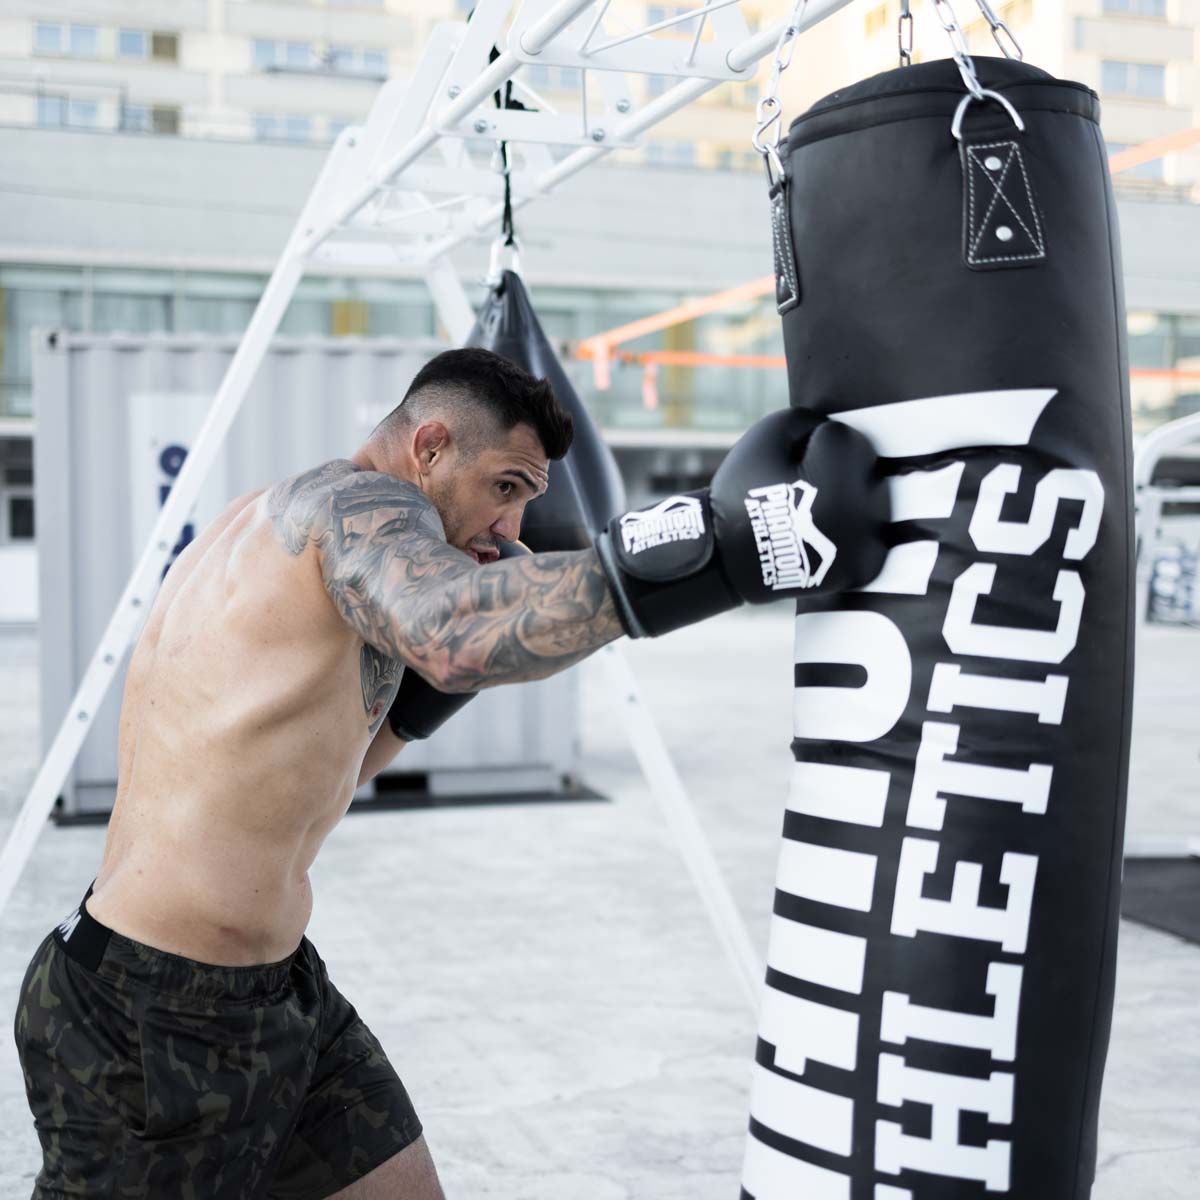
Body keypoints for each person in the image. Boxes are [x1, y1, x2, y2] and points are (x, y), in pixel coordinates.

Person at [13, 347, 888, 1198]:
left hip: (280, 994)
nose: (510, 527)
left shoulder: (282, 532)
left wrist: (442, 687)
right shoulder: (353, 506)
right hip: (149, 1012)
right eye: (504, 487)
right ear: (429, 447)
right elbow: (449, 625)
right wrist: (716, 550)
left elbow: (327, 764)